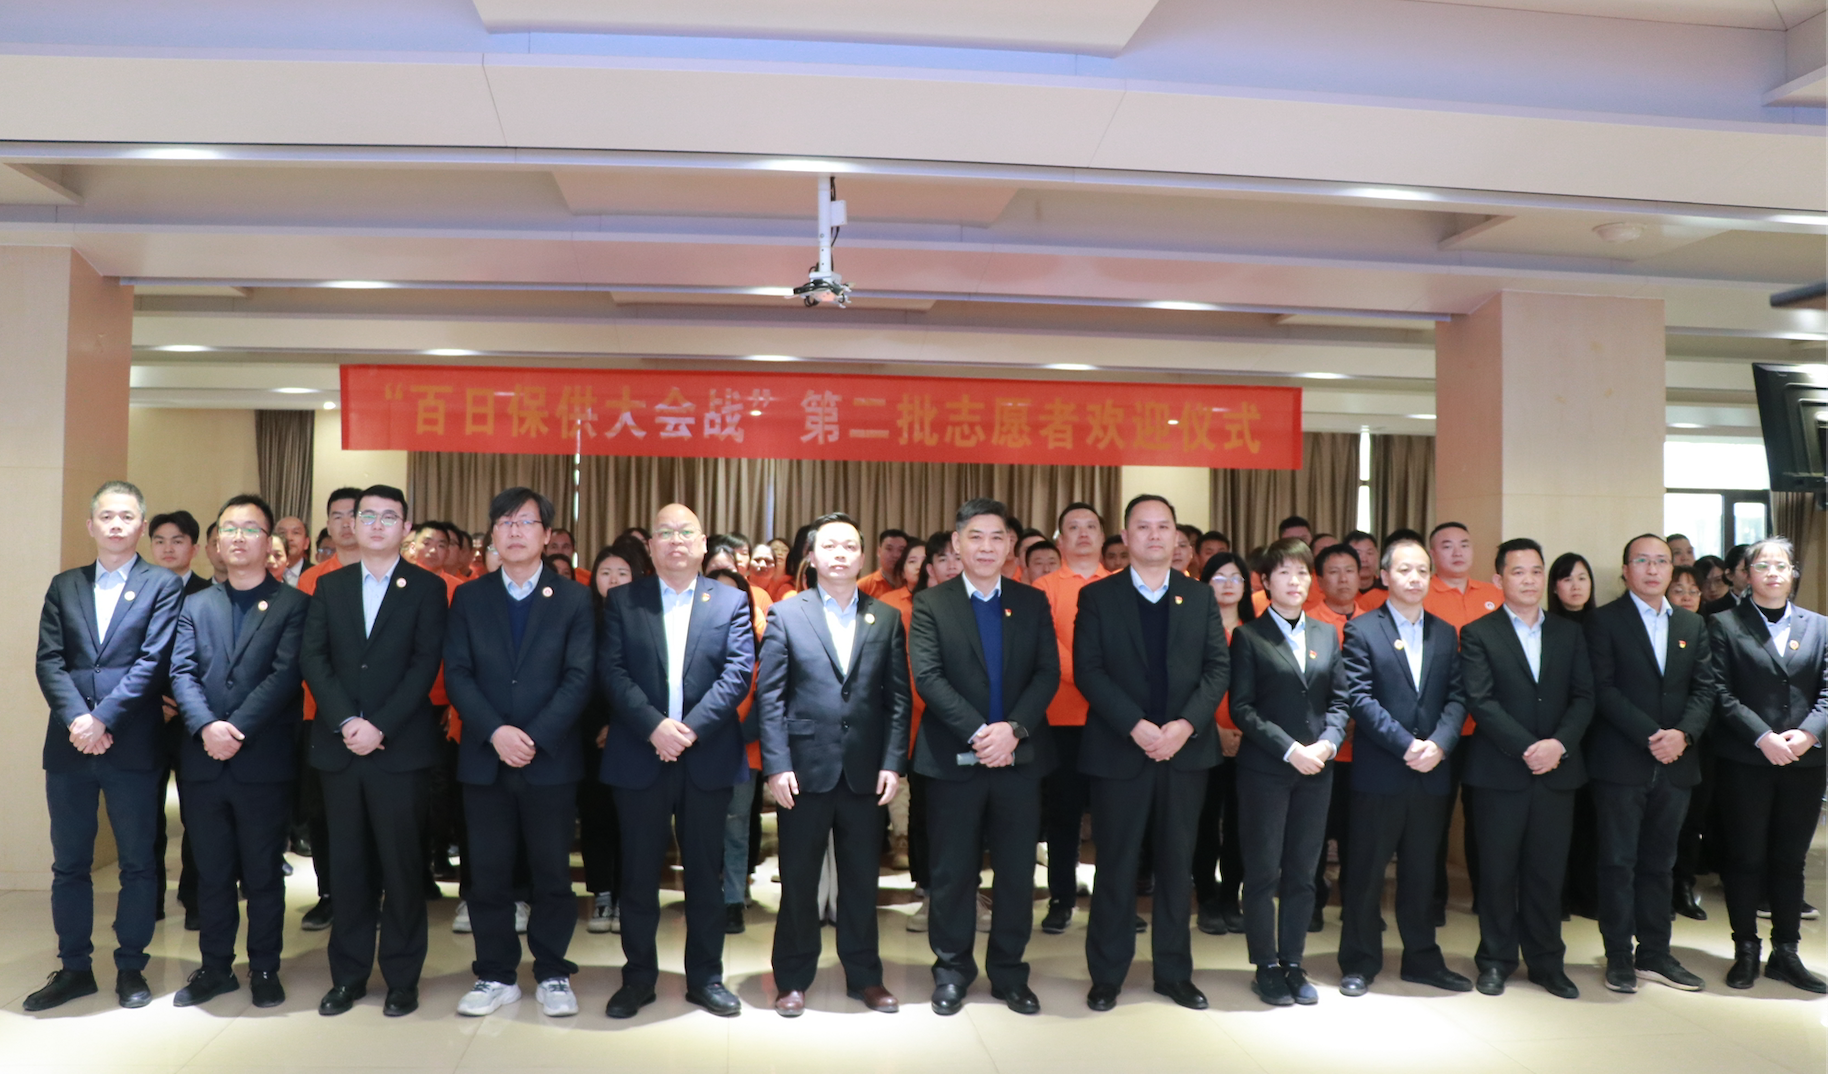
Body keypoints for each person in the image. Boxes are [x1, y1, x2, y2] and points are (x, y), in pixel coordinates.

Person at [25, 481, 184, 1013]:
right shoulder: (64, 585)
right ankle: (74, 968)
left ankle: (131, 966)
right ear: (91, 525)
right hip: (70, 743)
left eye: (127, 517)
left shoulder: (162, 584)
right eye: (107, 516)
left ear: (142, 526)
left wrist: (103, 719)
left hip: (132, 742)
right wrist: (79, 720)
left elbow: (154, 662)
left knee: (137, 861)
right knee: (70, 863)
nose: (116, 524)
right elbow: (49, 660)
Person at [597, 504, 755, 1019]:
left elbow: (738, 673)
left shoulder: (730, 600)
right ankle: (638, 977)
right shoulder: (624, 600)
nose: (676, 540)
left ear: (703, 543)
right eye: (665, 532)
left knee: (706, 875)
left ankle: (706, 977)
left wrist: (687, 730)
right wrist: (655, 727)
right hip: (640, 752)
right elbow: (612, 671)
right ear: (651, 546)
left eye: (686, 532)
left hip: (705, 755)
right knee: (638, 875)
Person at [443, 488, 594, 1019]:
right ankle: (495, 974)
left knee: (552, 872)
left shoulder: (574, 598)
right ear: (492, 534)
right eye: (505, 522)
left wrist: (532, 737)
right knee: (487, 874)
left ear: (547, 535)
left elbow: (579, 677)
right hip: (485, 758)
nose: (514, 531)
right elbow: (457, 673)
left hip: (549, 759)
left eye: (526, 522)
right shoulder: (470, 597)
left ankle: (553, 971)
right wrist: (496, 733)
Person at [1074, 494, 1229, 1012]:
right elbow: (1089, 670)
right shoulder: (1099, 596)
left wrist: (1185, 725)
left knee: (1177, 867)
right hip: (1120, 751)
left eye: (1164, 526)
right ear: (1125, 536)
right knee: (1116, 866)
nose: (1155, 535)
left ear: (1176, 536)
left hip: (1184, 753)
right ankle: (1107, 974)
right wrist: (1135, 726)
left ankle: (1174, 973)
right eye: (1143, 527)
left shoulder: (1199, 596)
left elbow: (1217, 669)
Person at [300, 484, 449, 1018]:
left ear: (405, 528)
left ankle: (403, 978)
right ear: (353, 525)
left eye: (390, 517)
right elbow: (314, 658)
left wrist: (380, 725)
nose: (378, 525)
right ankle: (348, 976)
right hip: (340, 748)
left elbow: (425, 663)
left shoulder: (427, 587)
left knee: (402, 867)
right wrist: (347, 721)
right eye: (368, 516)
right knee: (348, 867)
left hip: (399, 749)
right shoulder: (329, 585)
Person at [757, 512, 911, 1017]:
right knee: (799, 881)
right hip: (803, 770)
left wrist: (893, 762)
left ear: (862, 556)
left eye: (849, 546)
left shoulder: (885, 616)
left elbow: (897, 699)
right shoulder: (787, 614)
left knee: (862, 880)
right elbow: (771, 697)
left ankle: (865, 977)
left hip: (865, 771)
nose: (840, 554)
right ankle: (792, 978)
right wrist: (777, 765)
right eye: (830, 546)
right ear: (812, 556)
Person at [910, 498, 1060, 1016]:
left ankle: (1009, 972)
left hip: (1018, 759)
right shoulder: (933, 603)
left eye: (997, 537)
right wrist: (980, 733)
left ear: (1010, 546)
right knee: (954, 872)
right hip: (953, 759)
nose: (986, 547)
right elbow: (929, 677)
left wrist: (1012, 731)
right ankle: (952, 971)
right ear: (957, 543)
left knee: (1017, 873)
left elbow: (1047, 673)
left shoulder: (1031, 601)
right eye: (975, 536)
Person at [166, 493, 308, 1009]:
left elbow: (284, 676)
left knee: (263, 872)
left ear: (269, 542)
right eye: (229, 529)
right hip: (203, 760)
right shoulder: (196, 604)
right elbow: (180, 672)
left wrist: (235, 729)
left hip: (262, 761)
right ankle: (215, 967)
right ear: (216, 543)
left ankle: (265, 967)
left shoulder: (293, 604)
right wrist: (207, 726)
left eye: (251, 529)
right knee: (211, 872)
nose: (239, 537)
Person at [1335, 536, 1470, 997]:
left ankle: (1422, 959)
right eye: (1405, 570)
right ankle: (1359, 961)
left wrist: (1440, 745)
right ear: (1385, 576)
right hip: (1381, 771)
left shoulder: (1445, 632)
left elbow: (1457, 697)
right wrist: (1406, 745)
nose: (1415, 578)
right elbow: (1359, 698)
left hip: (1432, 770)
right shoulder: (1362, 629)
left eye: (1423, 571)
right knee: (1366, 872)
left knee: (1422, 872)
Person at [1459, 538, 1593, 1000]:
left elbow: (1584, 697)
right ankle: (1495, 960)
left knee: (1547, 872)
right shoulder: (1478, 633)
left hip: (1557, 770)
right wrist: (1527, 748)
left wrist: (1558, 745)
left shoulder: (1568, 633)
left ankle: (1546, 961)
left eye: (1536, 571)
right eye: (1518, 572)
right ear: (1499, 579)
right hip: (1499, 772)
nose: (1529, 580)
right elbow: (1481, 700)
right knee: (1497, 871)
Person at [1584, 534, 1716, 994]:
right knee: (1617, 862)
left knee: (1662, 863)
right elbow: (1602, 689)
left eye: (1661, 561)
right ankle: (1619, 955)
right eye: (1642, 561)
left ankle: (1655, 953)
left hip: (1677, 762)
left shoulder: (1691, 623)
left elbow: (1705, 689)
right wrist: (1652, 735)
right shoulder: (1603, 621)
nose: (1653, 569)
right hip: (1621, 762)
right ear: (1626, 570)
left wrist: (1683, 734)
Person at [1227, 538, 1347, 1006]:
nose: (1295, 582)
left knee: (1303, 871)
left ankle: (1294, 962)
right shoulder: (1249, 636)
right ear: (1265, 582)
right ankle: (1265, 965)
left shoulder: (1326, 634)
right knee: (1262, 870)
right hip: (1266, 770)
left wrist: (1328, 743)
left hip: (1317, 769)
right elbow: (1242, 708)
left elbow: (1339, 701)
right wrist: (1290, 749)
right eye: (1284, 573)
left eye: (1301, 573)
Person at [1707, 536, 1826, 993]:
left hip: (1805, 761)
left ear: (1793, 574)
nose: (1773, 573)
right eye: (1763, 565)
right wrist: (1763, 737)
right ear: (1747, 574)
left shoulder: (1820, 626)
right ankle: (1746, 949)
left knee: (1790, 859)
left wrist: (1808, 734)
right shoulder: (1724, 625)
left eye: (1781, 566)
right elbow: (1719, 692)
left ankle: (1786, 952)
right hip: (1746, 760)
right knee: (1745, 857)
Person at [1032, 503, 1109, 934]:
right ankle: (1061, 898)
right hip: (1060, 718)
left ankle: (1113, 900)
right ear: (1060, 539)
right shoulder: (1043, 587)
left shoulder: (1120, 584)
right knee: (1063, 815)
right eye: (1073, 527)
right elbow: (1045, 645)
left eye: (1090, 526)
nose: (1082, 533)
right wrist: (1090, 675)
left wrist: (1104, 687)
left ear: (1102, 537)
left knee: (1113, 815)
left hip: (1113, 719)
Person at [1423, 521, 1503, 923]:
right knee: (1434, 816)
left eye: (1464, 545)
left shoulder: (1495, 595)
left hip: (1487, 728)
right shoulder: (1422, 594)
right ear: (1432, 554)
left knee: (1485, 817)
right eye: (1447, 546)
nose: (1457, 552)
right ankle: (1431, 899)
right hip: (1439, 726)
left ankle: (1486, 897)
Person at [580, 539, 649, 936]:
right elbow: (577, 679)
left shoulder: (645, 619)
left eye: (622, 573)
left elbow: (646, 682)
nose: (613, 579)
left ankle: (625, 895)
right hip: (589, 735)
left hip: (632, 733)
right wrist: (596, 727)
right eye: (605, 572)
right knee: (595, 817)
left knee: (630, 820)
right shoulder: (582, 618)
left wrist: (620, 726)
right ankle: (602, 893)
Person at [147, 509, 210, 927]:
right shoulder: (139, 592)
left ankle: (195, 898)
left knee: (197, 814)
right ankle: (148, 899)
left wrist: (182, 703)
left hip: (192, 722)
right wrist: (154, 700)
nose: (168, 549)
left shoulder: (211, 594)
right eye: (160, 541)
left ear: (194, 547)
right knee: (146, 814)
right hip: (147, 718)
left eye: (177, 540)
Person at [1302, 542, 1365, 927]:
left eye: (1350, 571)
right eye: (1334, 572)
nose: (1343, 579)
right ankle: (1310, 904)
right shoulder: (1307, 623)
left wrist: (1362, 722)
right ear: (1320, 580)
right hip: (1320, 748)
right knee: (1315, 832)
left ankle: (1357, 905)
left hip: (1365, 749)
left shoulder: (1377, 620)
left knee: (1359, 833)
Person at [1193, 553, 1251, 936]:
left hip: (1249, 742)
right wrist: (1213, 729)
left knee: (1241, 825)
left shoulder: (1259, 632)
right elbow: (1186, 686)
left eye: (1236, 578)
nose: (1228, 585)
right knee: (1204, 822)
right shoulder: (1193, 629)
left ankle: (1232, 896)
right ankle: (1207, 899)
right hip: (1201, 738)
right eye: (1219, 577)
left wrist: (1244, 732)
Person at [858, 528, 910, 598]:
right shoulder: (863, 586)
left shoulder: (912, 583)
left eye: (901, 550)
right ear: (879, 551)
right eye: (889, 549)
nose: (895, 555)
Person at [1702, 544, 1751, 615]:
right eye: (1745, 570)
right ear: (1729, 575)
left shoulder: (1767, 604)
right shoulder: (1712, 610)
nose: (1751, 575)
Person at [275, 515, 309, 586]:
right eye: (282, 532)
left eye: (296, 532)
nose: (288, 537)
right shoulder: (263, 573)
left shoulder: (317, 574)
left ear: (306, 543)